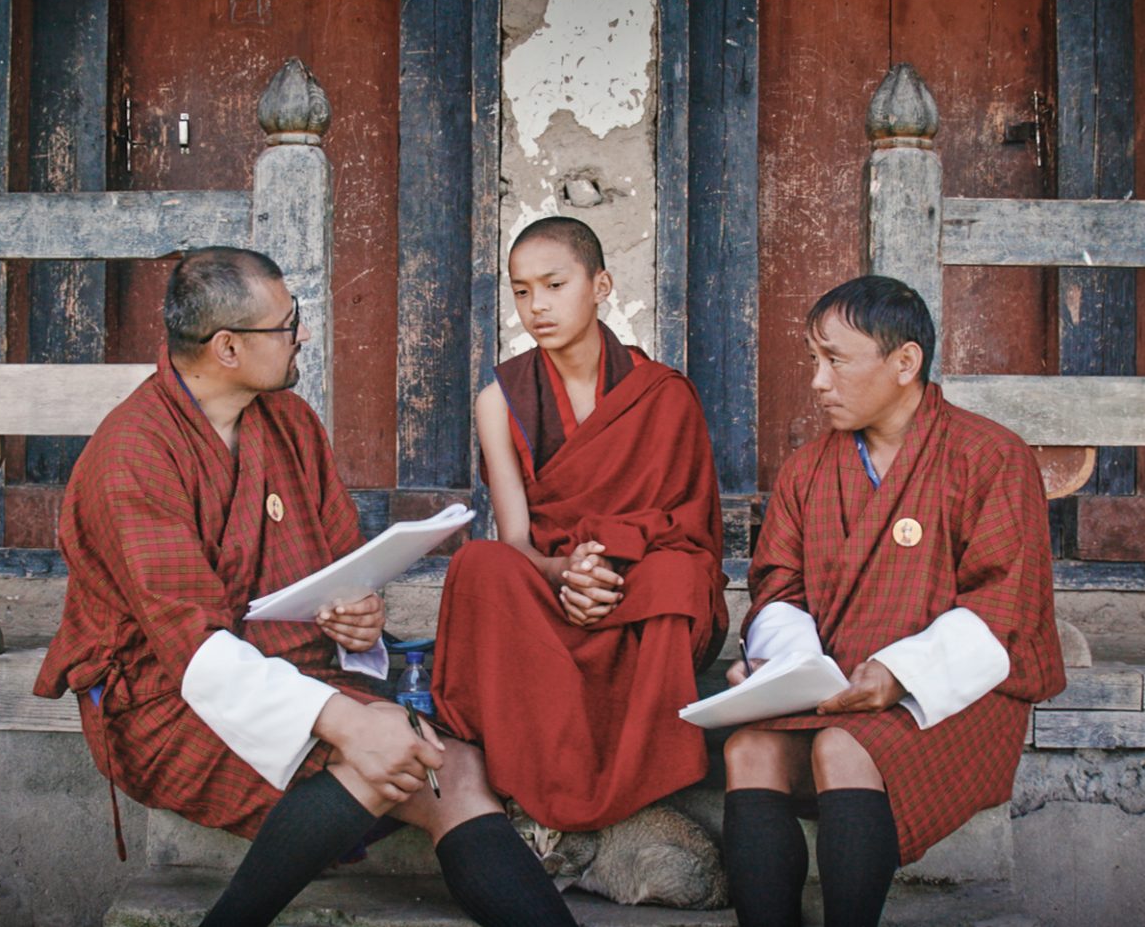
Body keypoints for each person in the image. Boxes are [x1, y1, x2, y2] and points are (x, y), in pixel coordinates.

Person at [34, 247, 578, 927]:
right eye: (287, 324)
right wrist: (347, 717)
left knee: (456, 765)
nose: (304, 336)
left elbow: (342, 565)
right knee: (383, 751)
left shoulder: (288, 420)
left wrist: (358, 621)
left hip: (291, 664)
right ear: (228, 347)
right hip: (165, 698)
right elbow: (194, 649)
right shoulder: (132, 456)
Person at [719, 275, 1066, 927]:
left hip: (956, 692)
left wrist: (898, 673)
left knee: (843, 749)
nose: (818, 380)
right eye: (814, 359)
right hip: (837, 686)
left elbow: (1006, 606)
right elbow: (776, 586)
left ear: (904, 362)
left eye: (836, 359)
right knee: (748, 748)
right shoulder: (807, 470)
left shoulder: (989, 456)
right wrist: (792, 664)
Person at [431, 215, 728, 834]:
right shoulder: (500, 399)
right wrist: (567, 570)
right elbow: (515, 540)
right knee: (479, 564)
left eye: (554, 285)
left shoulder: (664, 394)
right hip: (554, 582)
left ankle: (633, 783)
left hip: (633, 576)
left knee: (676, 577)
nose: (536, 307)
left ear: (601, 285)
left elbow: (689, 527)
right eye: (520, 290)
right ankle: (544, 780)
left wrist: (608, 564)